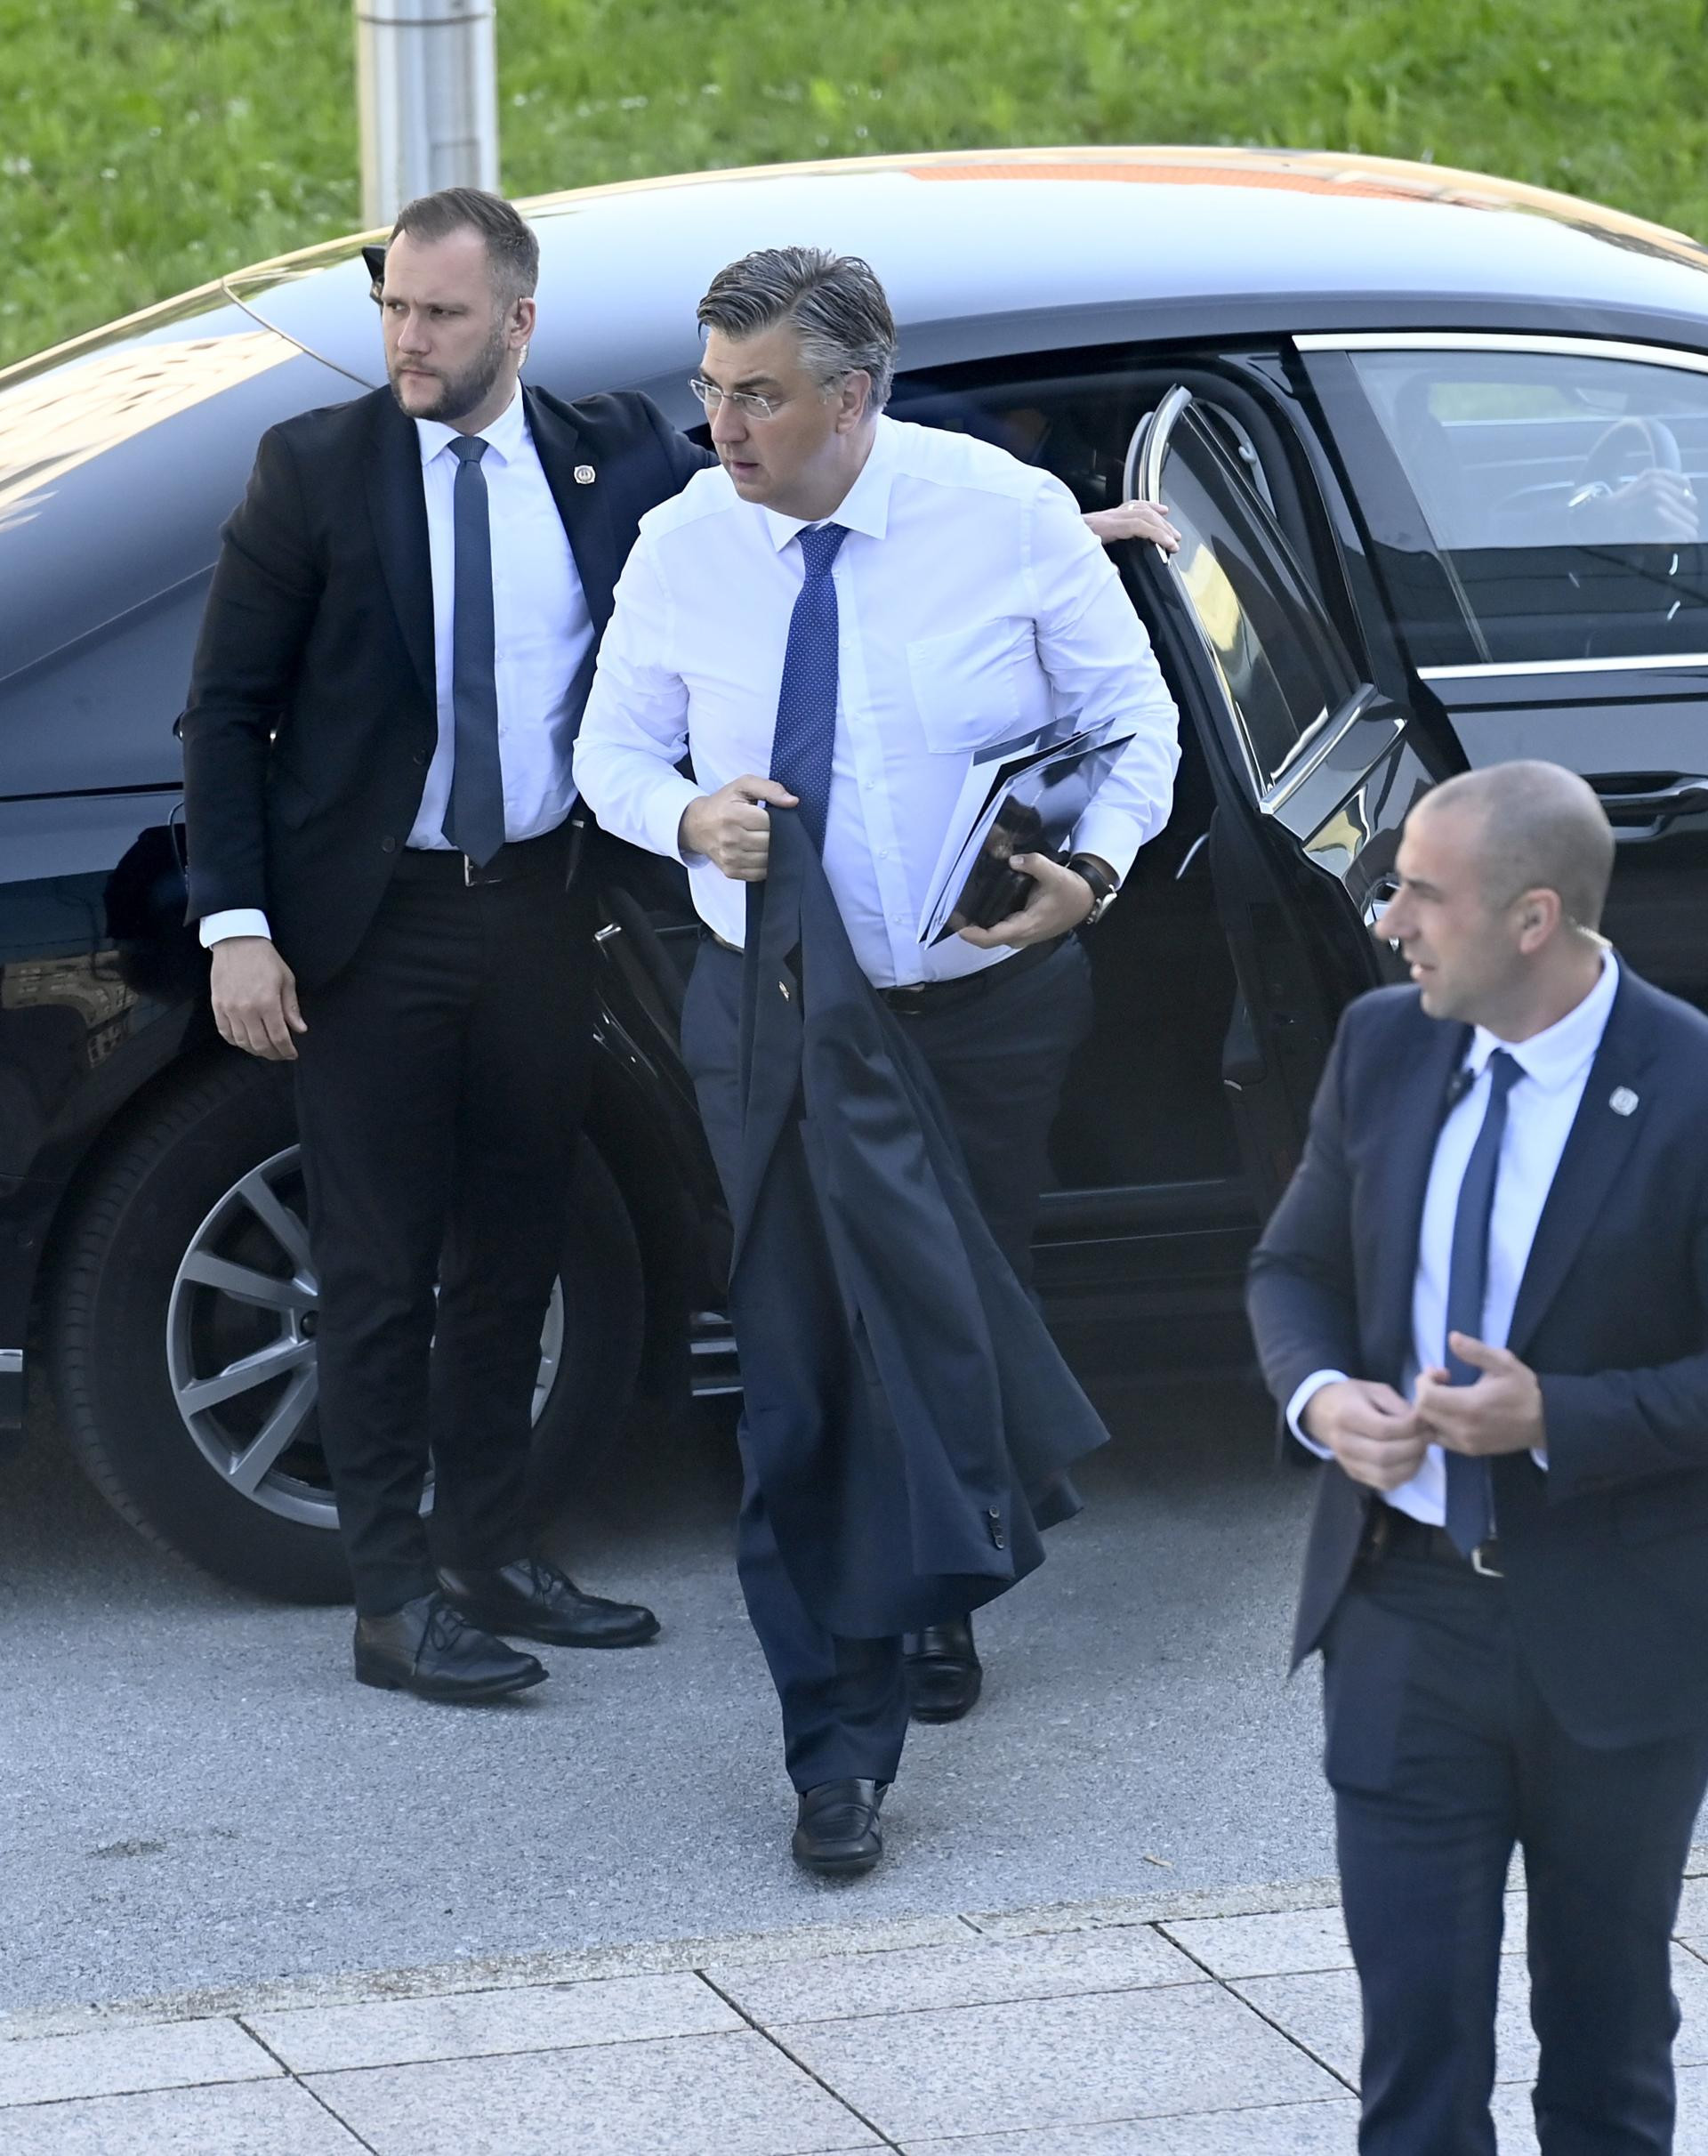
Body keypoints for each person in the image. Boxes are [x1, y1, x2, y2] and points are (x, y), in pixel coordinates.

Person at [573, 246, 1180, 1870]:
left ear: (855, 397)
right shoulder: (683, 546)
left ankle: (942, 1575)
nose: (723, 429)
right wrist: (684, 816)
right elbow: (609, 751)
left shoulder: (1008, 518)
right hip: (772, 1018)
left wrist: (1092, 870)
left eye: (758, 396)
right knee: (804, 1364)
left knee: (955, 1319)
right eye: (710, 392)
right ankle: (835, 1749)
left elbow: (1138, 724)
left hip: (983, 1009)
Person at [179, 187, 701, 1701]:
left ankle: (492, 1554)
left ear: (518, 323)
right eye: (395, 308)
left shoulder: (612, 459)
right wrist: (238, 929)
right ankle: (392, 1603)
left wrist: (1047, 523)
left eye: (441, 314)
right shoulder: (315, 469)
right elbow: (224, 712)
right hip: (374, 930)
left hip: (538, 908)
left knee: (515, 1251)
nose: (406, 338)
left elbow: (779, 492)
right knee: (377, 1269)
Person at [1246, 760, 1708, 2154]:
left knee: (1607, 2045)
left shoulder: (1689, 1086)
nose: (1388, 921)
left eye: (1420, 895)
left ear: (1533, 918)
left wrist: (1555, 1418)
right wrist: (1324, 1398)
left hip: (1616, 1633)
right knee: (1417, 2051)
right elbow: (1294, 1269)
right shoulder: (1384, 1045)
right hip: (1404, 1612)